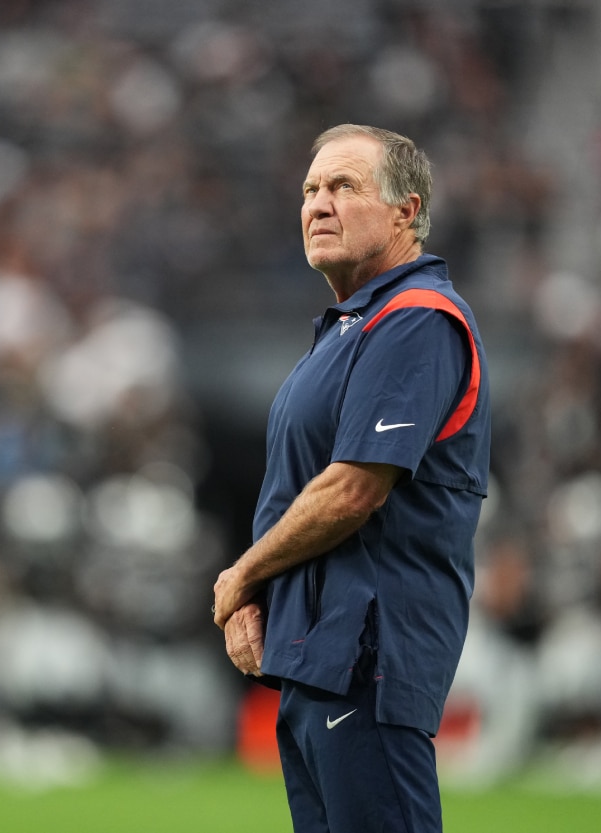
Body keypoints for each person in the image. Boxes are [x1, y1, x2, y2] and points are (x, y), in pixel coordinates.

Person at [212, 124, 491, 833]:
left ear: (407, 210)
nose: (318, 205)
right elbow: (298, 489)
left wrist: (242, 575)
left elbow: (354, 488)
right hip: (319, 658)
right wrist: (264, 596)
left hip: (369, 656)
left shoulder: (416, 320)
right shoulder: (350, 326)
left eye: (343, 186)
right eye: (310, 190)